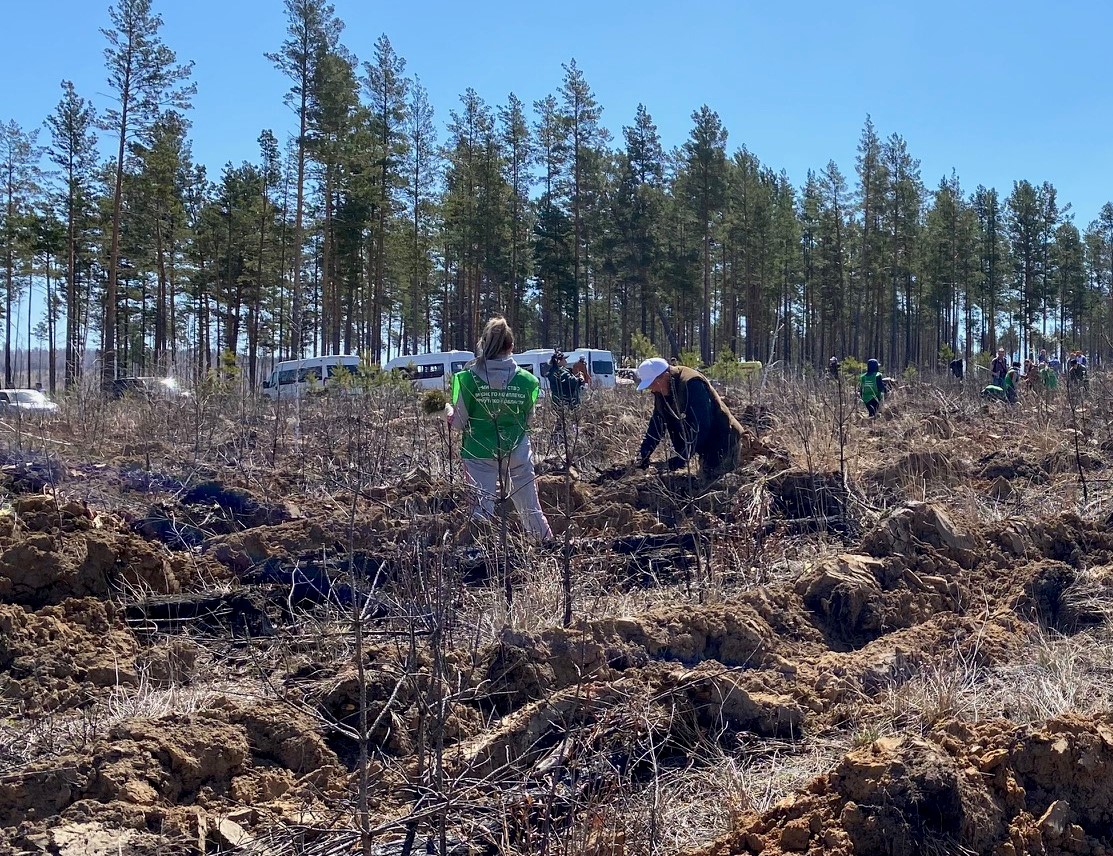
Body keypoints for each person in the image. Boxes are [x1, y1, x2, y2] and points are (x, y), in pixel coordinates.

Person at [450, 317, 552, 542]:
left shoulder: (466, 379)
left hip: (479, 453)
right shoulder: (529, 381)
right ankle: (546, 547)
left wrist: (445, 412)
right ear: (511, 347)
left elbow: (457, 424)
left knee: (481, 510)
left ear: (483, 345)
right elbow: (528, 419)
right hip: (518, 452)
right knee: (530, 509)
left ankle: (480, 556)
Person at [634, 356, 747, 479]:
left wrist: (682, 457)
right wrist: (644, 454)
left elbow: (702, 425)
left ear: (665, 376)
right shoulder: (662, 390)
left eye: (653, 384)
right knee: (705, 478)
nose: (652, 389)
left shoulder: (692, 383)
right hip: (705, 445)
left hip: (724, 441)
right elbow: (657, 423)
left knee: (715, 484)